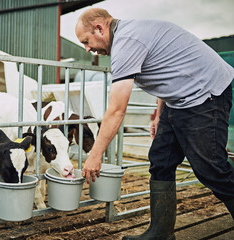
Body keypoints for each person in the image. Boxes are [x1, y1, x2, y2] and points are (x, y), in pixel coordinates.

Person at [75, 8, 234, 240]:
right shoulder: (131, 34)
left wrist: (95, 155)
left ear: (99, 28)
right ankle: (161, 234)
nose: (88, 49)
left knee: (212, 169)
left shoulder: (126, 42)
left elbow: (117, 110)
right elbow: (167, 67)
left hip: (205, 94)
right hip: (179, 99)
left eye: (86, 41)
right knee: (161, 161)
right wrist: (159, 113)